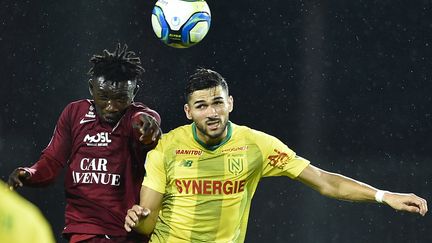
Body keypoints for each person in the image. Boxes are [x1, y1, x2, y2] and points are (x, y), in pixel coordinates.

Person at [124, 68, 428, 243]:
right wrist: (137, 218)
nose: (212, 112)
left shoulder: (257, 145)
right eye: (202, 106)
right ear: (188, 112)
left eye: (217, 102)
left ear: (230, 103)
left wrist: (383, 196)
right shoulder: (167, 147)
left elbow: (324, 181)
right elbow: (147, 225)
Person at [8, 44, 162, 243]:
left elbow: (145, 122)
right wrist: (30, 173)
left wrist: (148, 129)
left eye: (121, 99)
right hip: (83, 230)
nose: (111, 106)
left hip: (126, 233)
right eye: (104, 96)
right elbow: (52, 161)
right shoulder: (74, 113)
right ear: (91, 88)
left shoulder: (138, 117)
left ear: (134, 93)